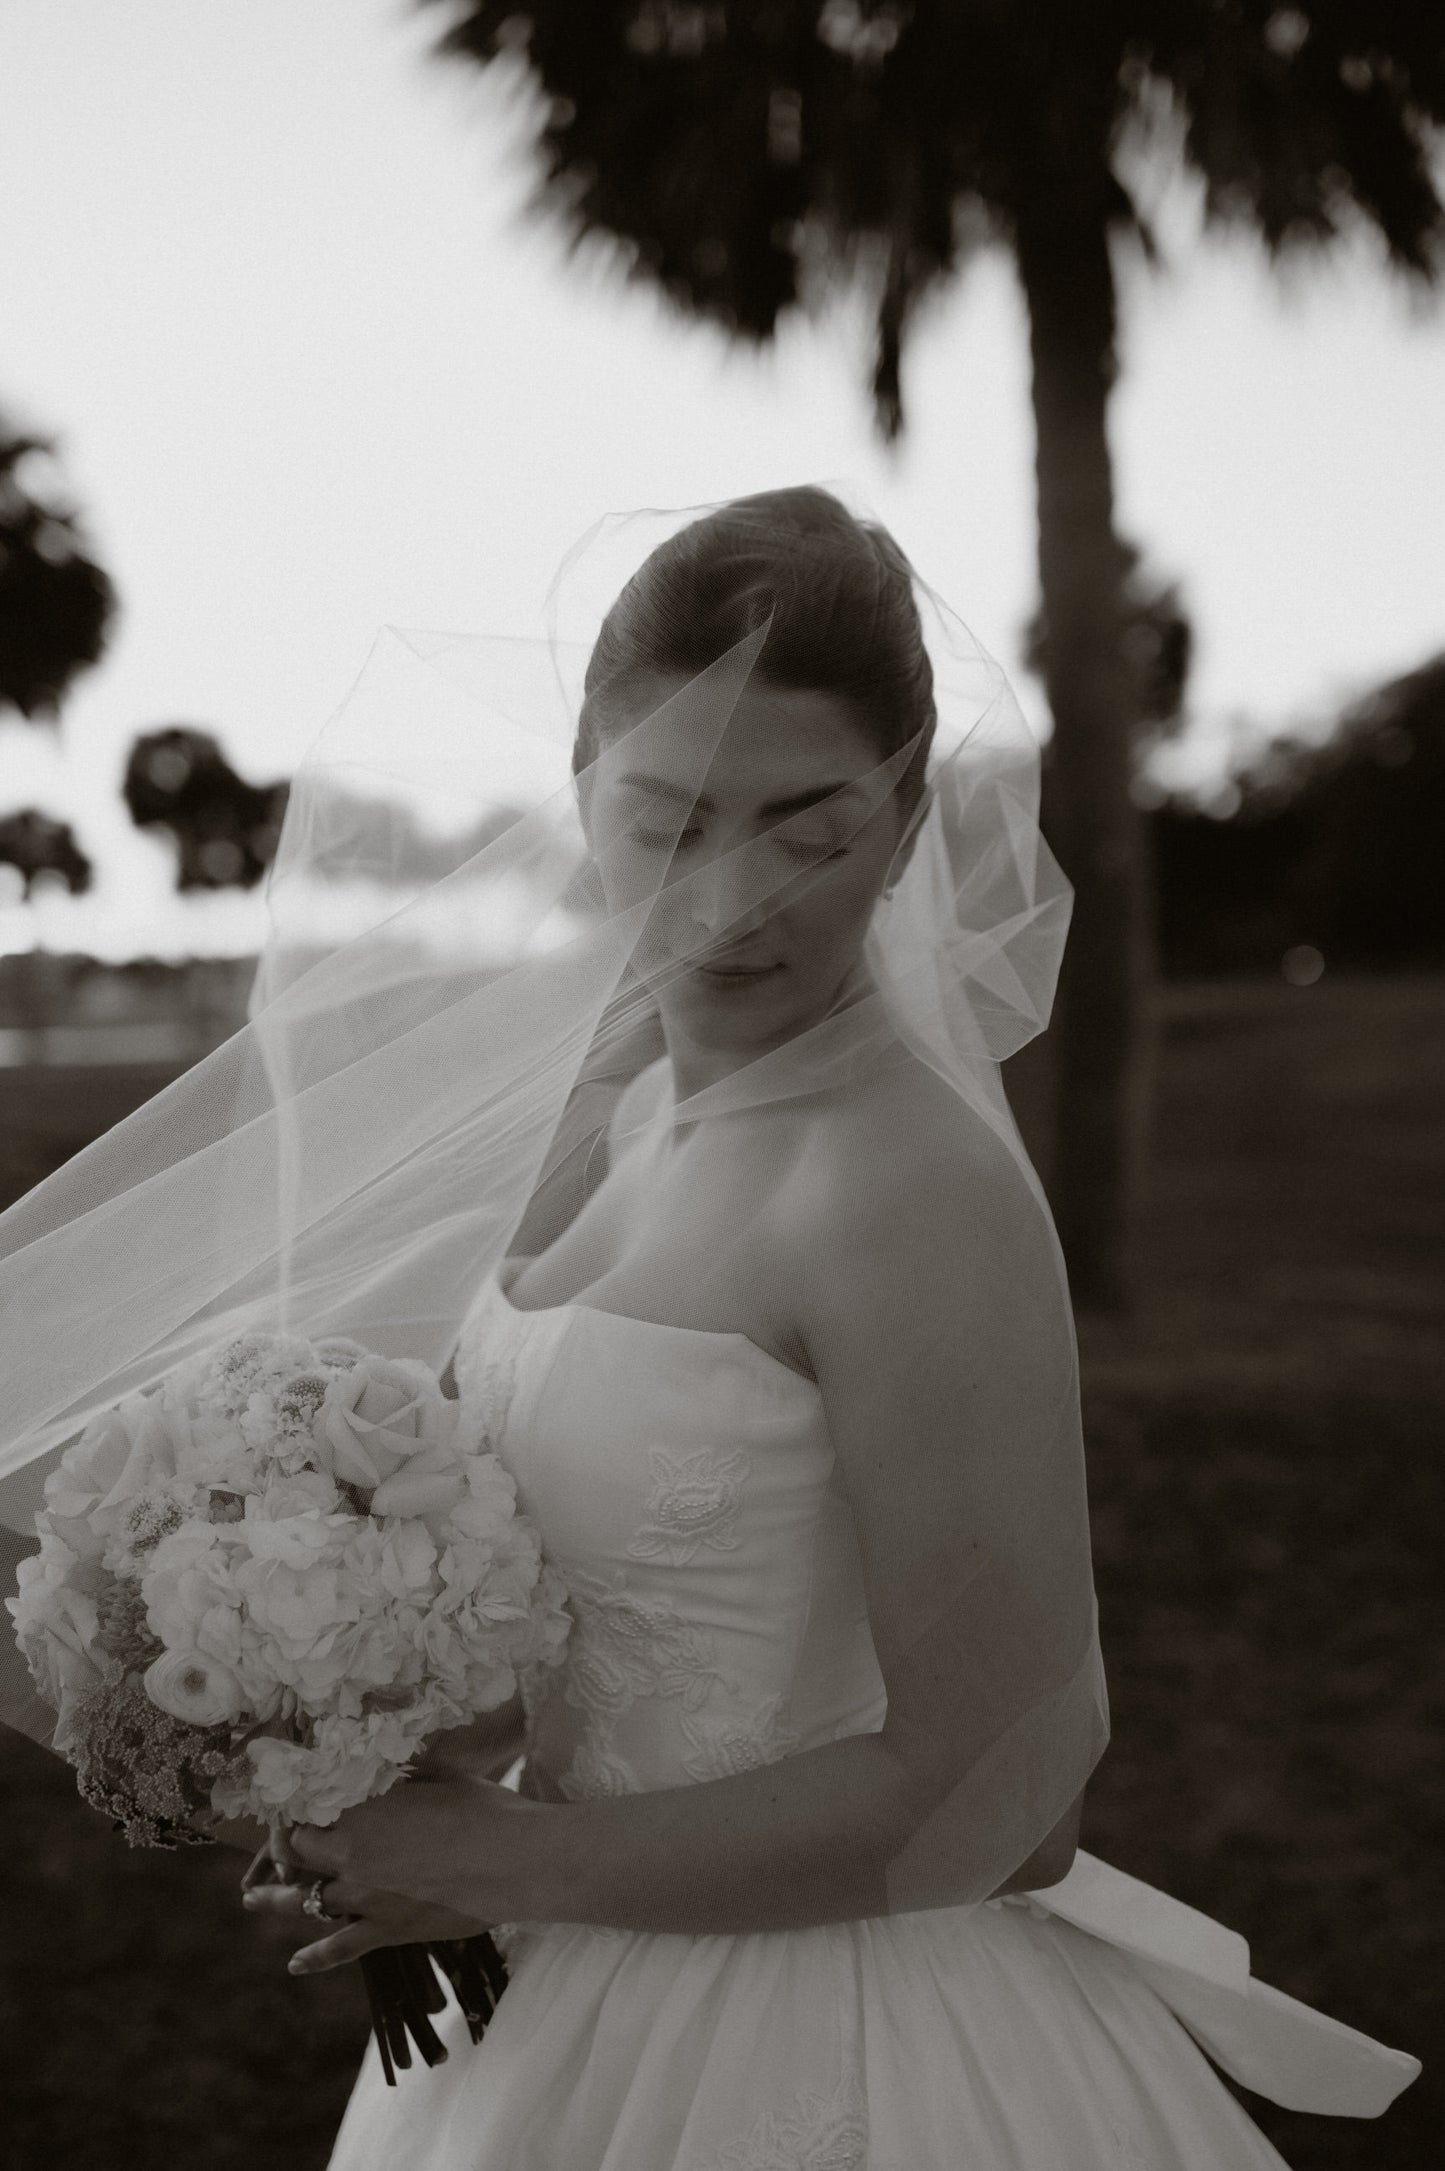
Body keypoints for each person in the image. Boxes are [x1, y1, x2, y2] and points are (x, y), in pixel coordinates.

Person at [222, 487, 1415, 2168]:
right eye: (666, 818)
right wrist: (374, 1765)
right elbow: (619, 1623)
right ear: (579, 794)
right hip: (557, 2022)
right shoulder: (631, 1122)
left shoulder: (908, 1191)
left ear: (911, 815)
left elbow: (1009, 1792)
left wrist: (505, 1863)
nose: (727, 899)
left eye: (807, 825)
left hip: (827, 2041)